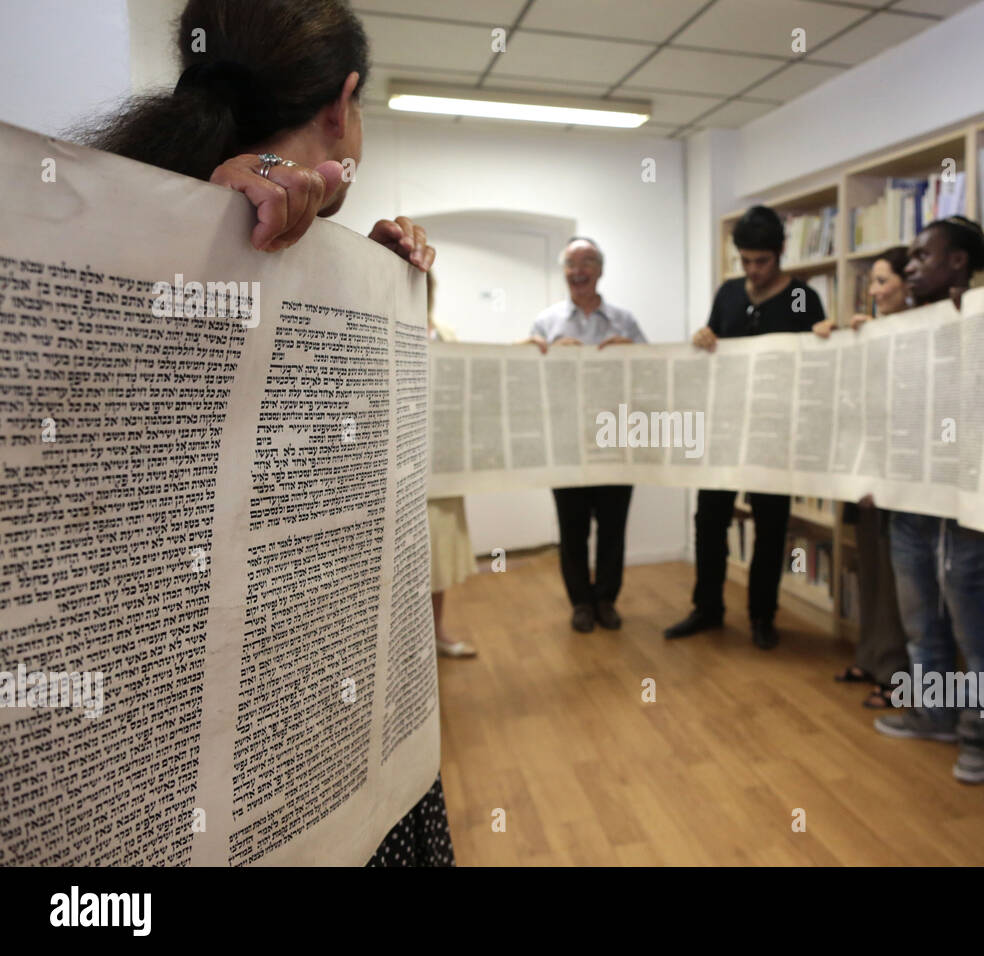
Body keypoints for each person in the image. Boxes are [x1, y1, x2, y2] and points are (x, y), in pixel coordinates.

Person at [83, 0, 452, 866]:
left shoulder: (116, 229)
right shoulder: (176, 232)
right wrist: (196, 241)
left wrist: (380, 296)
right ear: (343, 102)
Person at [872, 216, 984, 784]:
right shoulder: (902, 325)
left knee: (972, 622)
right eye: (907, 257)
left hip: (964, 504)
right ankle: (934, 711)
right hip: (910, 496)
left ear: (957, 262)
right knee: (919, 617)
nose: (909, 266)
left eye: (920, 256)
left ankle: (982, 733)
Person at [665, 205, 825, 650]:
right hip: (724, 429)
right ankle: (708, 607)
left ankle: (761, 615)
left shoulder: (800, 297)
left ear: (780, 254)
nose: (753, 271)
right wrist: (703, 337)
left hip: (774, 434)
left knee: (771, 527)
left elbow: (819, 355)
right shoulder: (729, 292)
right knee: (709, 520)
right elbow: (714, 337)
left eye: (762, 262)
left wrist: (825, 334)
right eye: (746, 261)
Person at [527, 237, 647, 633]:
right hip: (568, 441)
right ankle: (580, 602)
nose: (579, 270)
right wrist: (551, 355)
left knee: (613, 529)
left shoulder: (625, 321)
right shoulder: (546, 323)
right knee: (572, 529)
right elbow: (527, 382)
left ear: (600, 270)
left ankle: (607, 600)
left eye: (588, 262)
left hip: (616, 441)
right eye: (571, 264)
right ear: (564, 272)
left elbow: (652, 375)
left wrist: (634, 351)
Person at [820, 247, 912, 708]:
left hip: (903, 476)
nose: (874, 292)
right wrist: (831, 339)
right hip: (868, 474)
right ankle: (873, 658)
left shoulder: (921, 331)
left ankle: (897, 673)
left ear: (907, 285)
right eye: (871, 283)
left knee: (899, 581)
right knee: (872, 569)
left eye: (882, 282)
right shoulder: (871, 331)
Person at [426, 273, 479, 659]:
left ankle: (436, 633)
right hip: (395, 470)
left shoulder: (444, 333)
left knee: (438, 555)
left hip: (442, 466)